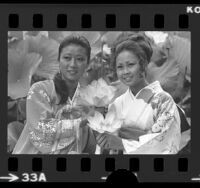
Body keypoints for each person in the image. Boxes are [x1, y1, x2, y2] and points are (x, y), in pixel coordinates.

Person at [95, 33, 181, 154]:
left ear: (143, 65)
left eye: (130, 65)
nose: (125, 72)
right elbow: (107, 143)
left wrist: (122, 143)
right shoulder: (117, 104)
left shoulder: (163, 101)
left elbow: (166, 143)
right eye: (120, 67)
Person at [13, 35, 96, 154]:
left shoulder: (89, 97)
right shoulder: (39, 90)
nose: (72, 64)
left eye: (80, 59)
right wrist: (80, 122)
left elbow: (90, 143)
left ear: (88, 65)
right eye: (67, 58)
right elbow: (40, 132)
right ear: (58, 61)